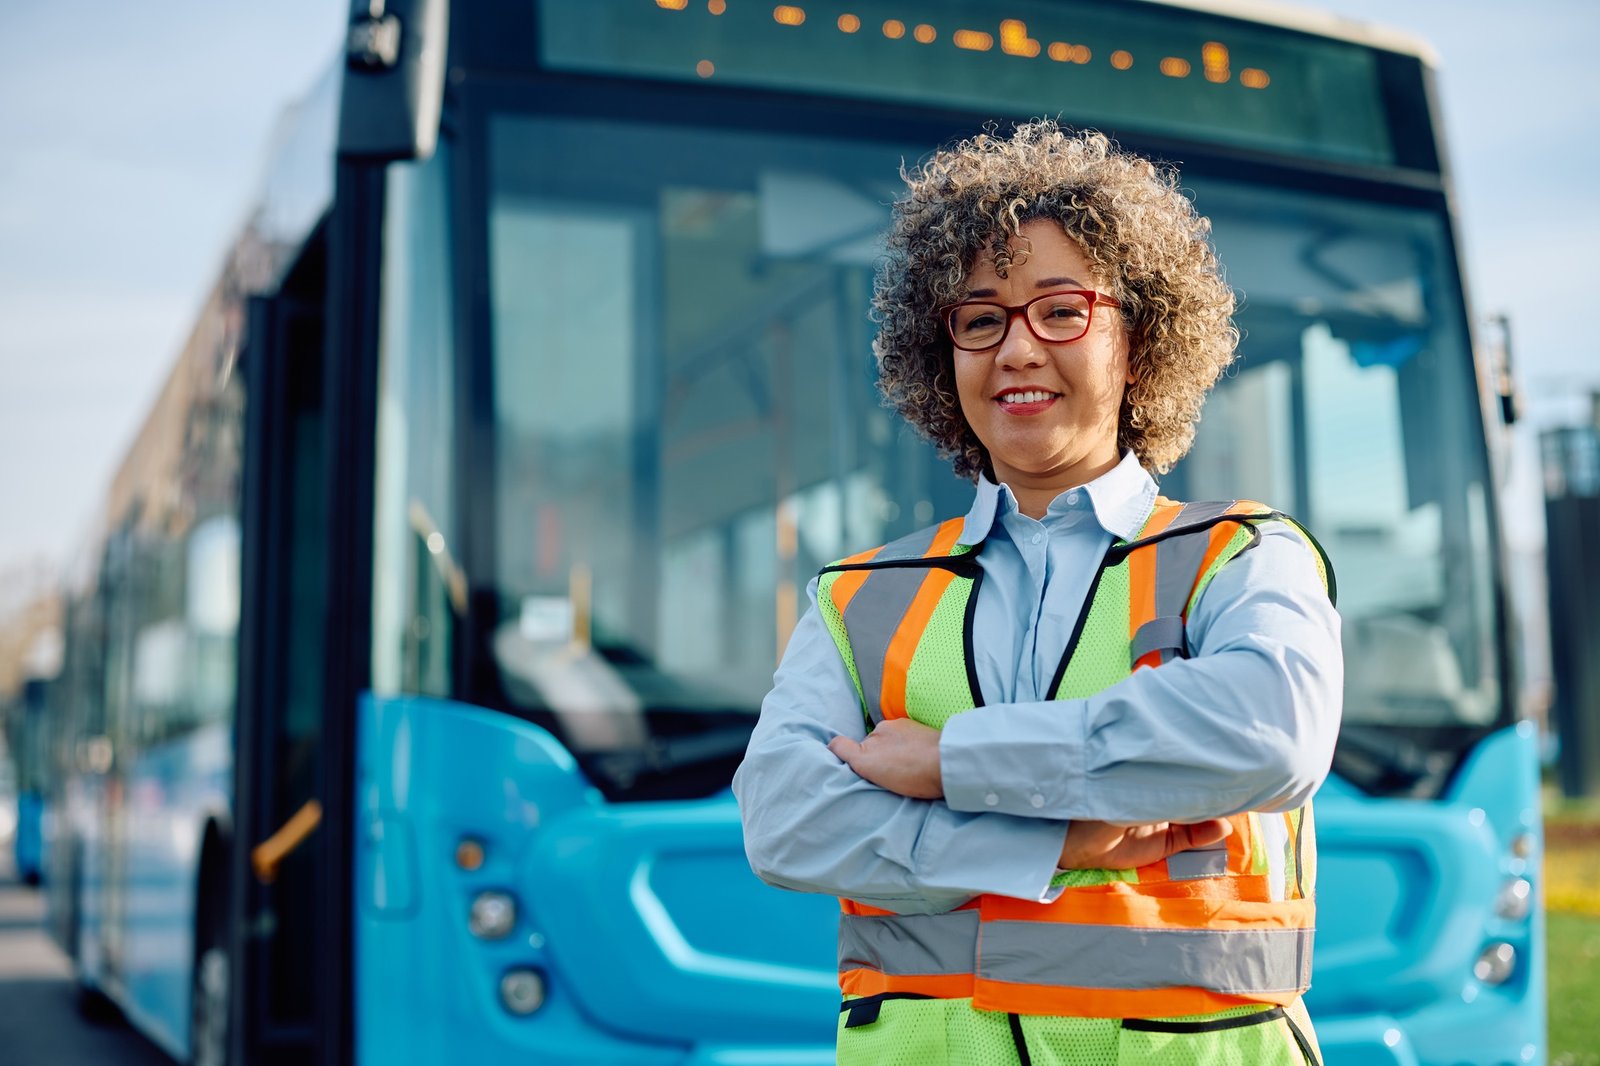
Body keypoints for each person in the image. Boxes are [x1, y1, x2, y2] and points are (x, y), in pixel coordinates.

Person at [732, 120, 1342, 1065]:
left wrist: (951, 764)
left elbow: (1266, 733)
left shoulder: (1243, 555)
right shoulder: (859, 598)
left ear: (1138, 342)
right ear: (945, 360)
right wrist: (1059, 844)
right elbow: (784, 820)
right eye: (981, 319)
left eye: (1061, 311)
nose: (1016, 349)